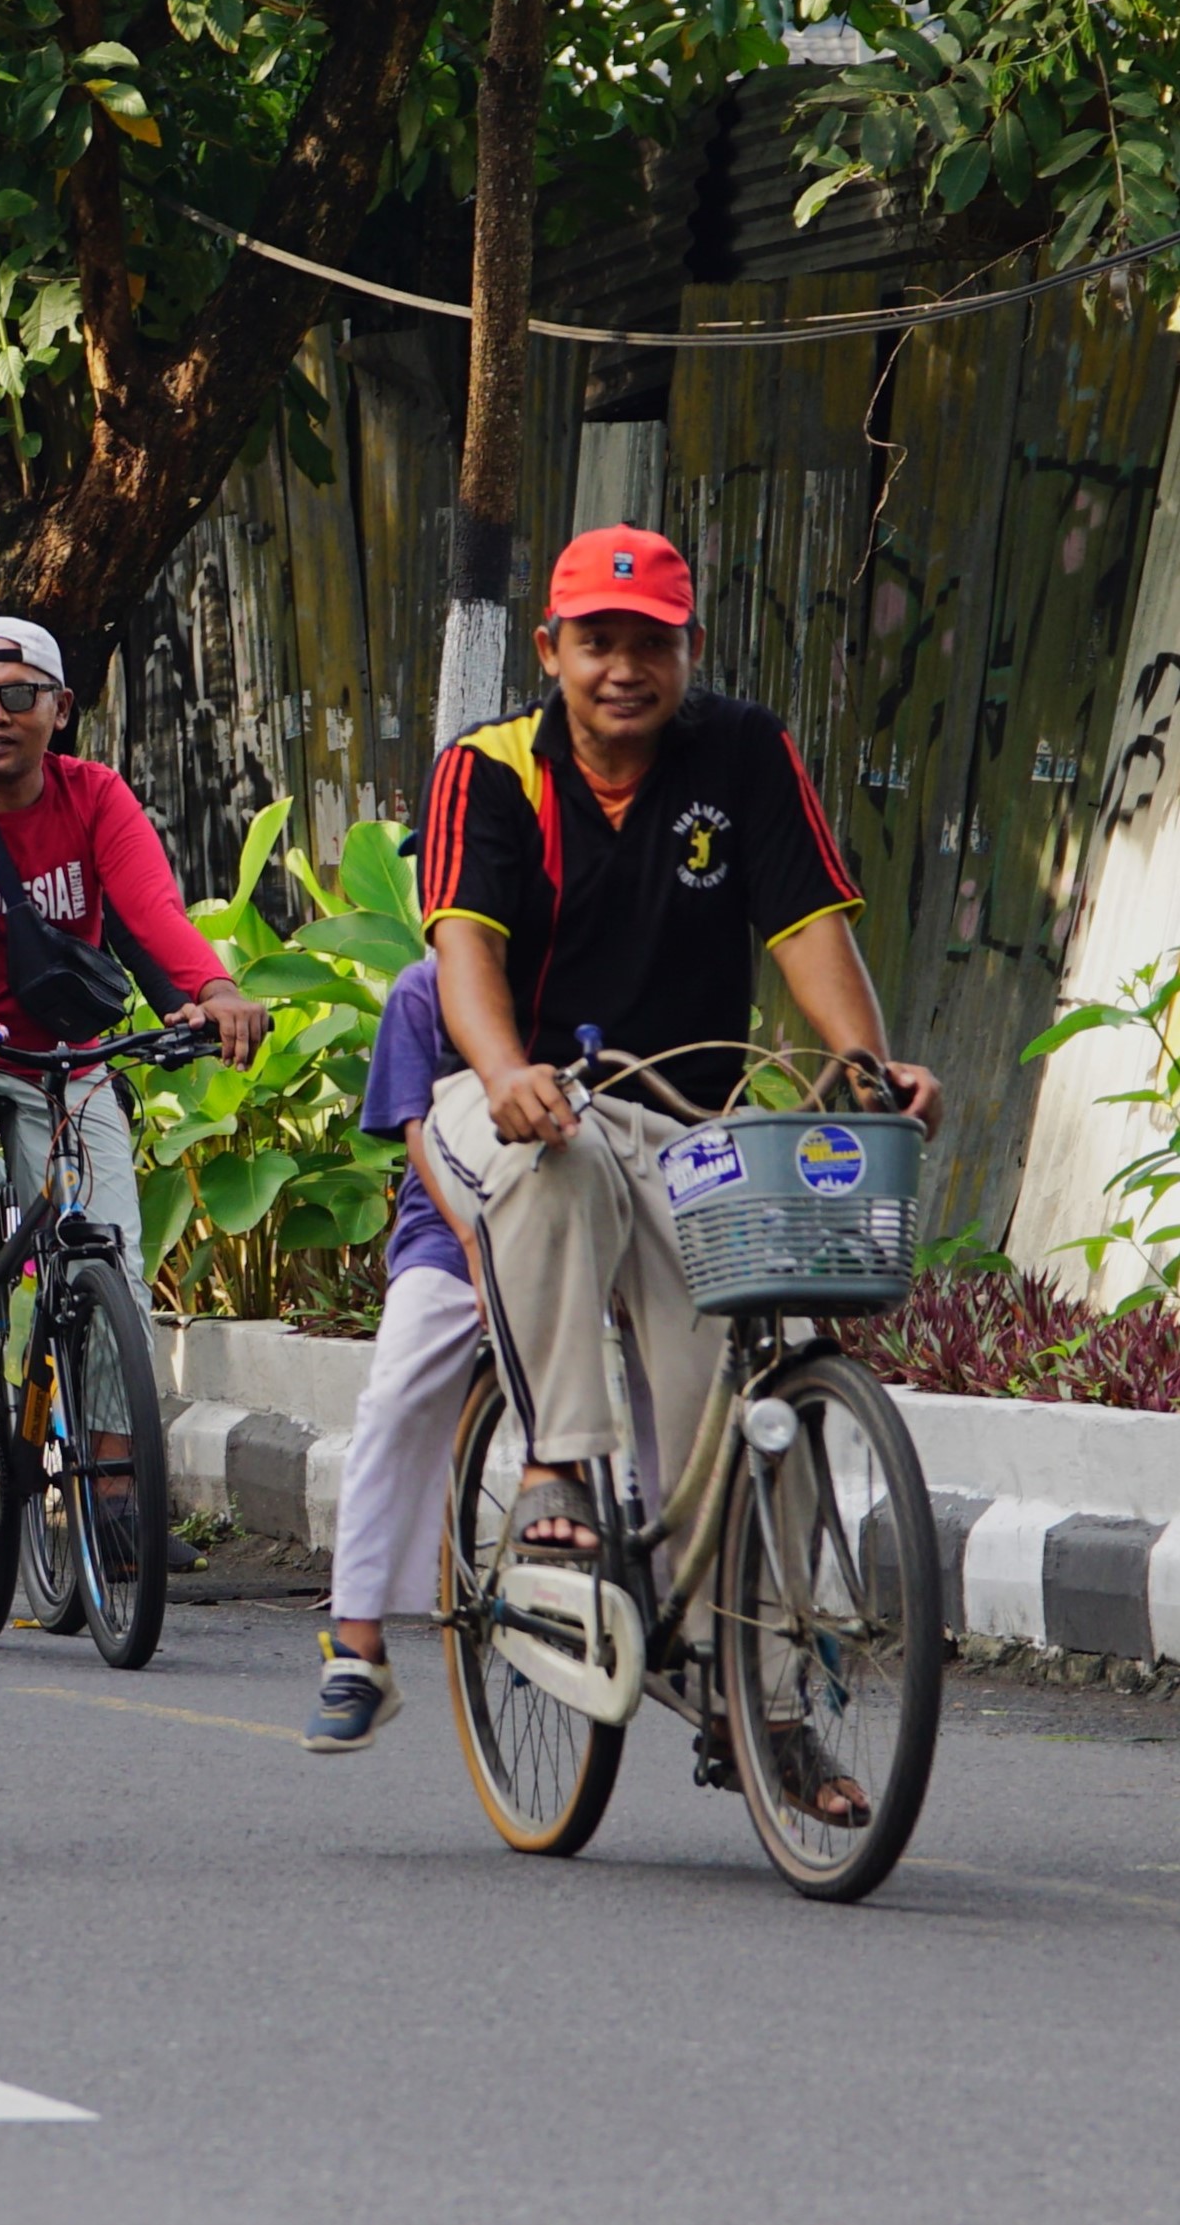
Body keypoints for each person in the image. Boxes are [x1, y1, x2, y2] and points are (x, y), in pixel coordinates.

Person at [413, 526, 935, 1752]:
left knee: (766, 1382)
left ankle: (764, 1695)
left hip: (695, 1123)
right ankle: (554, 1465)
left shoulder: (743, 751)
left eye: (652, 643)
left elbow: (807, 923)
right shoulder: (488, 769)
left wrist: (869, 1063)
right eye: (597, 642)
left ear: (686, 650)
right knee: (564, 1160)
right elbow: (464, 950)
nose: (624, 668)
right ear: (551, 650)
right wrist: (504, 1071)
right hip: (516, 1105)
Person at [0, 620, 263, 1479]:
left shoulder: (96, 795)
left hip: (63, 1058)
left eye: (18, 695)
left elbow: (153, 915)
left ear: (60, 707)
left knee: (109, 1245)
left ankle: (112, 1488)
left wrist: (215, 992)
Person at [301, 956, 473, 1751]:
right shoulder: (425, 988)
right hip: (451, 1233)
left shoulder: (588, 958)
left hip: (580, 1221)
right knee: (395, 1394)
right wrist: (475, 1236)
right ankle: (358, 1645)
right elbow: (417, 1135)